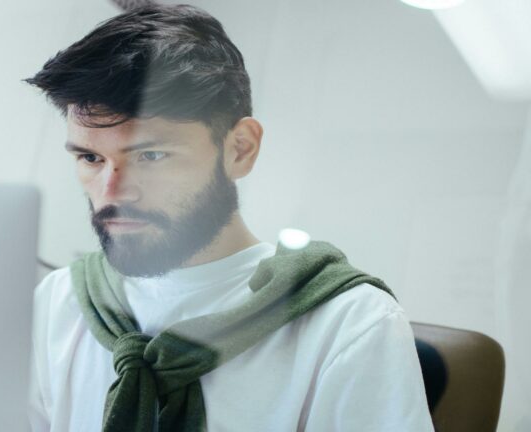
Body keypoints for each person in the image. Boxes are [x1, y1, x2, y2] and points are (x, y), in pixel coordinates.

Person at [25, 4, 433, 431]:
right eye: (91, 157)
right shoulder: (59, 302)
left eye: (151, 155)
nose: (111, 192)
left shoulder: (348, 324)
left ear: (240, 149)